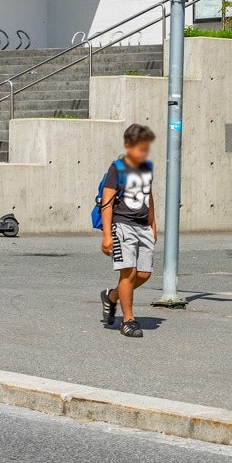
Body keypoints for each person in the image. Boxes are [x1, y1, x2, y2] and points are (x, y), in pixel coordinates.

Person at [98, 123, 157, 339]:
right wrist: (106, 235)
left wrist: (153, 225)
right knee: (129, 272)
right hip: (122, 225)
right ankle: (128, 320)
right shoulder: (117, 168)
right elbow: (106, 203)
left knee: (144, 273)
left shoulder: (146, 167)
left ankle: (112, 296)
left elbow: (149, 196)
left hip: (143, 226)